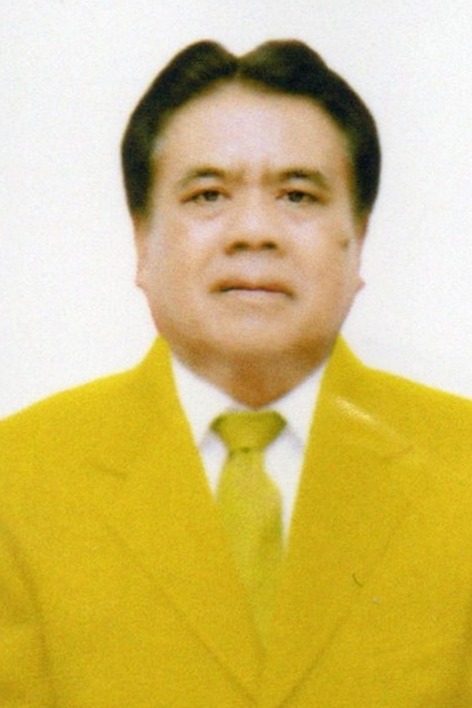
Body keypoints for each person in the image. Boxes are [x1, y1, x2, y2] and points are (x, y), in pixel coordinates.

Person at [1, 39, 472, 708]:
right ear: (142, 240)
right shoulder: (19, 479)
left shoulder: (461, 465)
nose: (254, 231)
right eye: (209, 194)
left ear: (358, 239)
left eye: (298, 195)